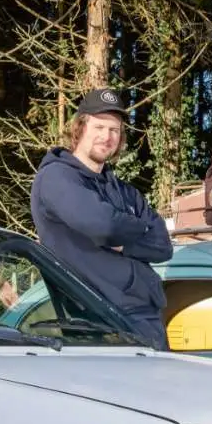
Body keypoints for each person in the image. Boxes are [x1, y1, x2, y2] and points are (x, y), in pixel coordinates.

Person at [30, 87, 173, 349]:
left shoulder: (124, 191)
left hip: (144, 318)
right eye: (98, 127)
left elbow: (163, 245)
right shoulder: (56, 178)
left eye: (114, 130)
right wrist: (138, 229)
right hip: (97, 322)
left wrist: (124, 241)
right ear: (80, 128)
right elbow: (103, 226)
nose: (106, 137)